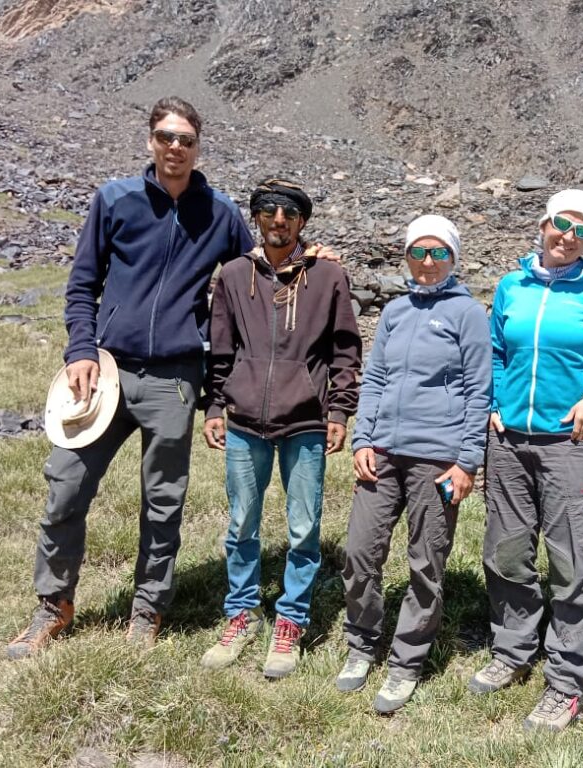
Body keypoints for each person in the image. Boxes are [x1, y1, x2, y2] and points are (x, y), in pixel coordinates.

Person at [7, 97, 256, 659]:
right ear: (150, 140)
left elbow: (255, 274)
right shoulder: (114, 200)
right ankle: (53, 605)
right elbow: (81, 285)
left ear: (198, 147)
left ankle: (148, 609)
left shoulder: (219, 213)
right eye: (166, 137)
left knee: (163, 502)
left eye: (186, 140)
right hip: (105, 372)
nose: (175, 148)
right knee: (66, 487)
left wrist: (310, 257)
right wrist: (79, 350)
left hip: (174, 378)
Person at [469, 190, 583, 732]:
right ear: (543, 223)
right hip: (510, 442)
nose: (566, 235)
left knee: (570, 563)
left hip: (568, 443)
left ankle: (568, 679)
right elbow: (496, 350)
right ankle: (514, 650)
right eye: (559, 223)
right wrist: (494, 403)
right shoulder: (511, 285)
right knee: (507, 552)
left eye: (580, 230)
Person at [199, 178, 362, 679]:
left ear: (302, 222)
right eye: (268, 210)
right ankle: (240, 613)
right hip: (245, 420)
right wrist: (213, 406)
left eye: (288, 212)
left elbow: (344, 351)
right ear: (257, 218)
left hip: (306, 423)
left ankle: (290, 621)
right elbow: (219, 349)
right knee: (241, 523)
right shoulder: (232, 276)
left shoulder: (329, 276)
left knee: (304, 527)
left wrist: (338, 412)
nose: (278, 219)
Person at [336, 215, 492, 713]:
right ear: (405, 256)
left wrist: (467, 461)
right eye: (417, 253)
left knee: (426, 563)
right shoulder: (395, 311)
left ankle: (405, 661)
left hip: (438, 460)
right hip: (382, 452)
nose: (427, 263)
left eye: (439, 253)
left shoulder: (468, 312)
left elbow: (477, 391)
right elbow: (376, 377)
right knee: (360, 554)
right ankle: (361, 643)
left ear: (454, 257)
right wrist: (364, 438)